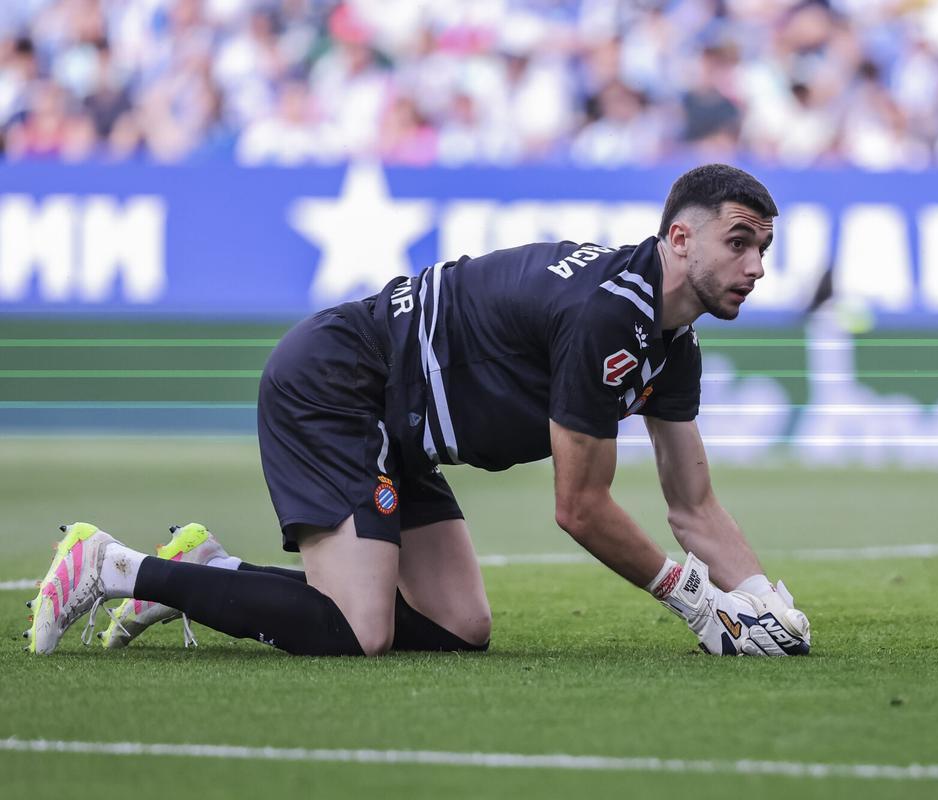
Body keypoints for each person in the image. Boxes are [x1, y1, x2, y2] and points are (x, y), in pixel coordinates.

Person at [25, 163, 811, 659]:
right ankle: (112, 566)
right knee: (361, 630)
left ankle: (203, 574)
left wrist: (767, 600)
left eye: (764, 248)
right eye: (739, 242)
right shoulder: (608, 314)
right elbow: (580, 507)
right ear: (679, 238)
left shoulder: (672, 342)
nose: (756, 267)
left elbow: (694, 503)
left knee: (464, 629)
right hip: (340, 385)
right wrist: (695, 598)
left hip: (401, 424)